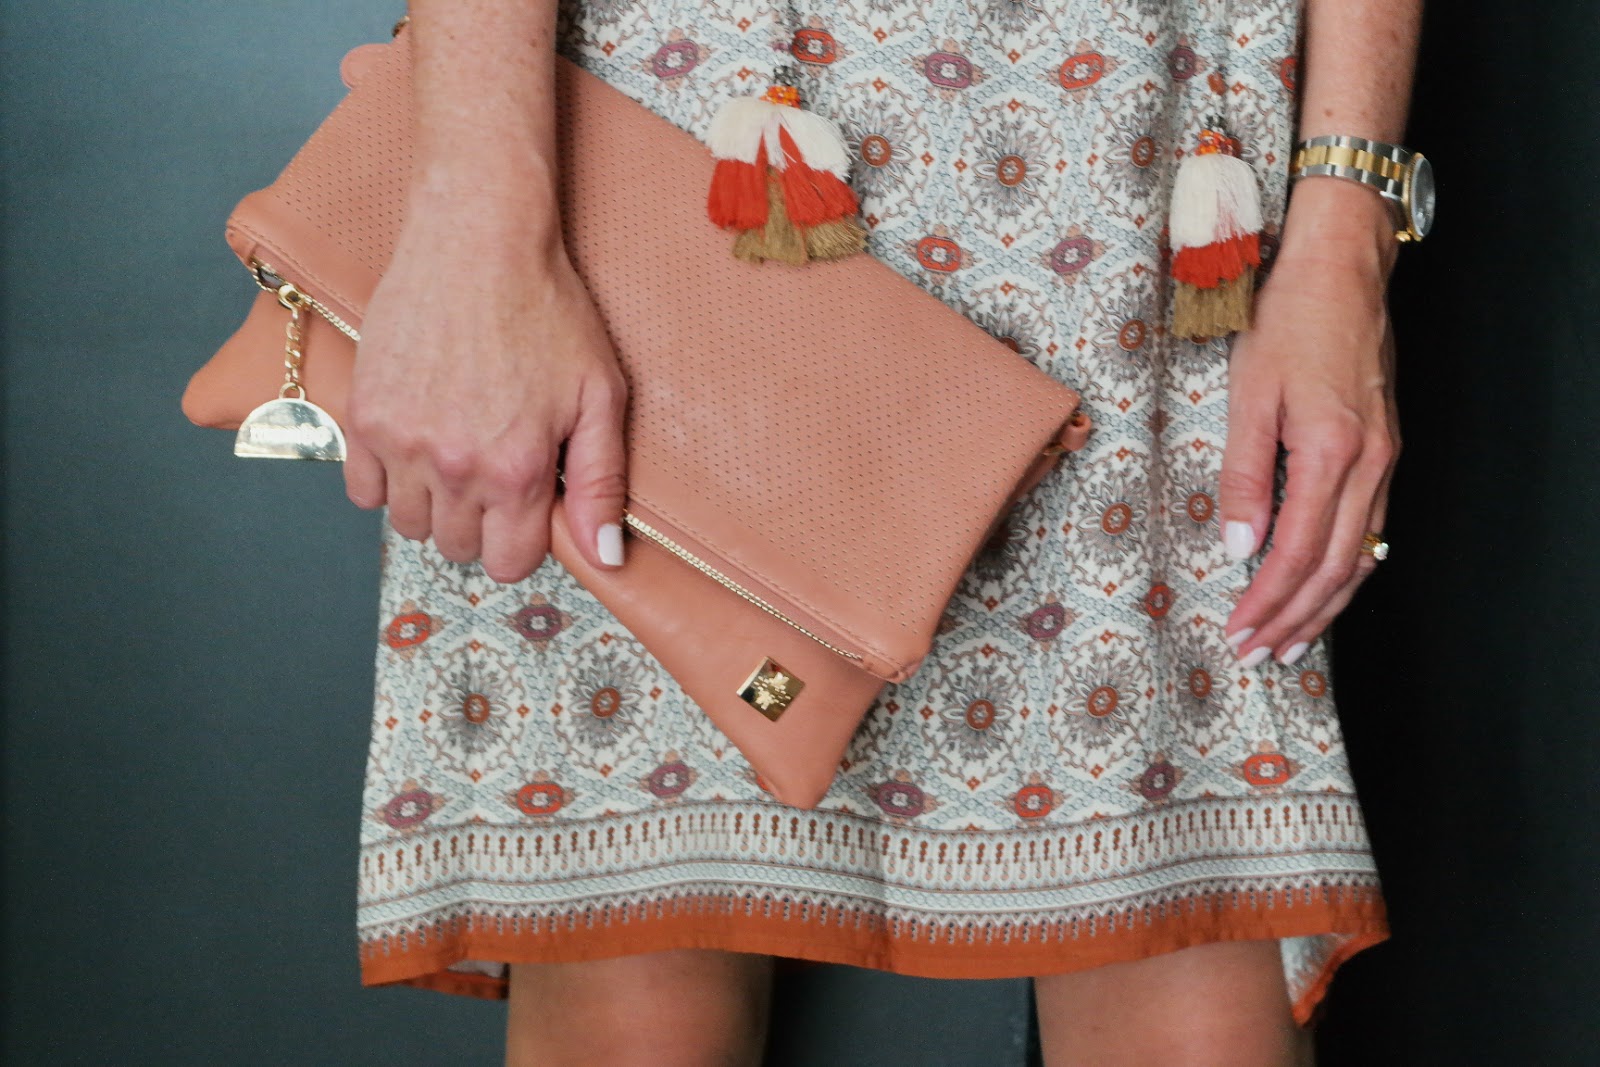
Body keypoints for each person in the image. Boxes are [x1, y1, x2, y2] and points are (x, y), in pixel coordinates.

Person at [350, 0, 1418, 1063]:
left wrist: (1346, 240)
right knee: (629, 985)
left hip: (1142, 186)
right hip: (684, 150)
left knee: (1186, 970)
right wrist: (477, 228)